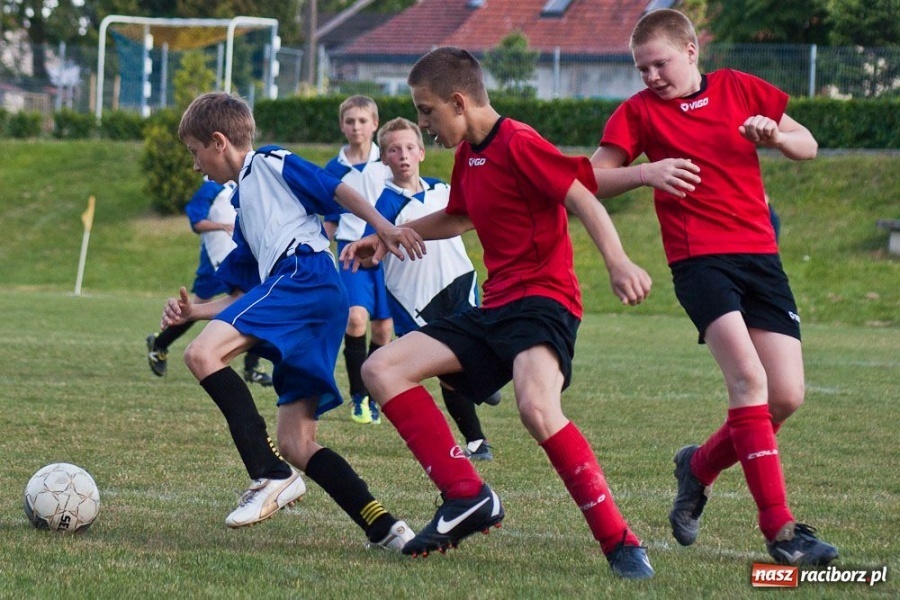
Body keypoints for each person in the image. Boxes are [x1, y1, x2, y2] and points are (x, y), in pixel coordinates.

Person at [341, 47, 655, 579]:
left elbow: (583, 198)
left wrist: (618, 261)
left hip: (543, 302)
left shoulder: (520, 142)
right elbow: (460, 215)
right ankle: (467, 495)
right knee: (379, 368)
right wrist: (386, 237)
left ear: (458, 102)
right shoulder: (471, 155)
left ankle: (620, 540)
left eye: (427, 112)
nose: (424, 125)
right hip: (495, 308)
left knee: (536, 408)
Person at [590, 8, 838, 566]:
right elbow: (590, 178)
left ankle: (697, 466)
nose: (651, 76)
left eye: (660, 64)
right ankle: (781, 531)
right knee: (748, 379)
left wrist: (774, 134)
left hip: (761, 260)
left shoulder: (738, 89)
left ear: (691, 51)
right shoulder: (638, 113)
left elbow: (809, 145)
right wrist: (644, 172)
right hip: (700, 262)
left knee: (786, 396)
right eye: (641, 68)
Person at [161, 91, 425, 550]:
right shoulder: (245, 214)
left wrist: (381, 225)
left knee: (201, 353)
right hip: (309, 298)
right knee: (297, 442)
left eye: (194, 152)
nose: (194, 164)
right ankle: (386, 529)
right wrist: (196, 311)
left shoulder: (267, 162)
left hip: (304, 277)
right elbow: (245, 297)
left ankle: (269, 475)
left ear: (219, 142)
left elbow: (335, 190)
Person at [369, 116, 498, 461]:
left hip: (458, 281)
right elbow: (373, 247)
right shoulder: (384, 206)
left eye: (410, 147)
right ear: (384, 158)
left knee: (480, 345)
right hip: (415, 299)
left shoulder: (443, 189)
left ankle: (483, 383)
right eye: (394, 150)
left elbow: (466, 217)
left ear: (422, 152)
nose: (403, 155)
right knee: (446, 371)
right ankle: (476, 441)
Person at [145, 177, 273, 387]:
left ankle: (252, 366)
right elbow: (196, 221)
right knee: (199, 308)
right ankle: (159, 343)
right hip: (215, 261)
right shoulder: (210, 188)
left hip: (238, 260)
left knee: (253, 303)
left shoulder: (241, 184)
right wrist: (221, 226)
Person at [322, 96, 393, 425]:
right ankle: (359, 398)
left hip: (388, 253)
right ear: (342, 125)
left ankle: (373, 394)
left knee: (384, 331)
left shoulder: (390, 162)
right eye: (350, 121)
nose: (356, 127)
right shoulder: (334, 170)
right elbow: (329, 219)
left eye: (362, 121)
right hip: (351, 251)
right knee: (355, 320)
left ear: (375, 124)